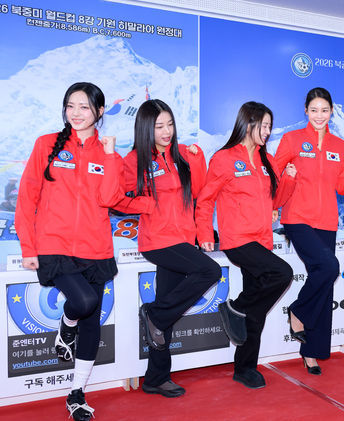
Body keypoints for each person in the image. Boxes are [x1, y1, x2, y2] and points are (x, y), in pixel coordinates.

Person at [15, 82, 127, 421]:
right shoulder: (47, 144)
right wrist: (28, 245)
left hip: (96, 247)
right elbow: (27, 196)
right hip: (55, 244)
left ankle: (76, 393)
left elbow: (110, 199)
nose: (76, 113)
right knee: (84, 302)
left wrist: (110, 156)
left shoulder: (109, 154)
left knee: (92, 322)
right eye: (70, 106)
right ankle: (67, 324)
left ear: (100, 111)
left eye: (84, 107)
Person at [112, 99, 224, 397]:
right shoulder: (134, 160)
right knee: (210, 271)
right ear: (146, 128)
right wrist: (146, 205)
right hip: (158, 241)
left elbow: (199, 191)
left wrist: (197, 160)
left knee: (164, 312)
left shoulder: (184, 153)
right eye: (159, 126)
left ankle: (156, 377)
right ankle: (155, 315)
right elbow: (115, 198)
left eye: (170, 124)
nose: (166, 131)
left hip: (184, 239)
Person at [197, 102, 296, 388]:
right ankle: (236, 307)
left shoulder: (267, 161)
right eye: (263, 125)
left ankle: (244, 367)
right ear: (248, 123)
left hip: (262, 239)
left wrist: (289, 180)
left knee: (257, 308)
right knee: (283, 273)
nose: (267, 131)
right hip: (238, 239)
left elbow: (276, 201)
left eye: (270, 127)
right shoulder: (224, 158)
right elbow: (206, 199)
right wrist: (204, 232)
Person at [273, 87, 344, 374]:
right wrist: (286, 176)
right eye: (314, 110)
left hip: (327, 221)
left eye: (324, 110)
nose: (319, 115)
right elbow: (274, 175)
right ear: (306, 111)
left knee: (323, 280)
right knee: (329, 267)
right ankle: (298, 311)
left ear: (332, 112)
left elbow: (343, 188)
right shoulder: (292, 139)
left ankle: (311, 352)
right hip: (297, 218)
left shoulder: (340, 146)